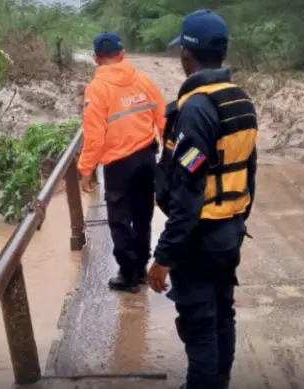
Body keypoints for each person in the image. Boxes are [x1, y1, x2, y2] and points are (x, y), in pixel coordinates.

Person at [148, 9, 257, 389]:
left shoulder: (194, 109)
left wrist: (164, 256)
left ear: (186, 55)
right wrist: (238, 221)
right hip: (229, 231)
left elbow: (189, 190)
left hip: (200, 237)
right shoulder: (240, 100)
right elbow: (249, 174)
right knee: (221, 313)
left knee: (198, 322)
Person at [78, 32, 166, 293]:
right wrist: (170, 156)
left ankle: (128, 274)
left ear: (96, 59)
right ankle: (139, 269)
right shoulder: (143, 79)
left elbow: (94, 133)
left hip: (118, 164)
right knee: (142, 216)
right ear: (122, 53)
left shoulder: (97, 89)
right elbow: (162, 117)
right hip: (147, 158)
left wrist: (86, 169)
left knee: (119, 219)